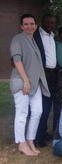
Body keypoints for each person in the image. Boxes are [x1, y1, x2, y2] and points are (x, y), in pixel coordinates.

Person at [10, 14, 50, 156]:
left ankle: (30, 140)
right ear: (21, 26)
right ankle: (21, 143)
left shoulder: (33, 40)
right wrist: (25, 80)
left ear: (36, 26)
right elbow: (17, 60)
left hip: (35, 83)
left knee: (37, 111)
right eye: (26, 24)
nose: (29, 26)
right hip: (22, 82)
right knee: (22, 112)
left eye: (32, 23)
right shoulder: (18, 39)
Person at [34, 14, 57, 147]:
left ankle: (43, 131)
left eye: (52, 22)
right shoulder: (36, 36)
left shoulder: (52, 36)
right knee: (42, 107)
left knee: (47, 107)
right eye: (48, 21)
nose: (50, 24)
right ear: (42, 21)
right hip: (42, 74)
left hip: (53, 75)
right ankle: (38, 136)